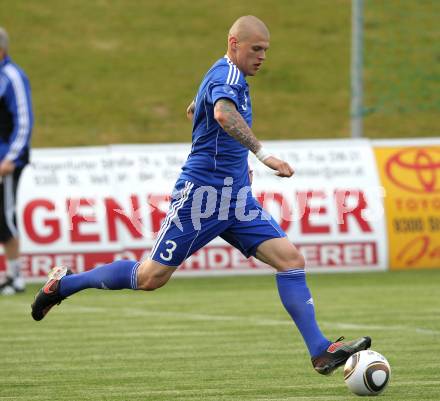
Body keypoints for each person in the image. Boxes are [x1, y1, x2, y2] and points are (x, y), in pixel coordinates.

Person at [31, 16, 371, 375]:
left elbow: (204, 106)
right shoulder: (228, 76)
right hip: (201, 199)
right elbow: (223, 114)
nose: (262, 57)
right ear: (233, 43)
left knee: (290, 259)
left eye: (266, 51)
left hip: (235, 199)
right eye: (256, 49)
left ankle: (320, 350)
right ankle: (63, 284)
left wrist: (206, 118)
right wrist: (262, 153)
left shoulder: (225, 74)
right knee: (150, 278)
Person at [0, 27, 33, 295]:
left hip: (6, 162)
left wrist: (11, 158)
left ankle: (16, 277)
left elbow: (23, 120)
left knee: (5, 217)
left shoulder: (12, 76)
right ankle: (9, 275)